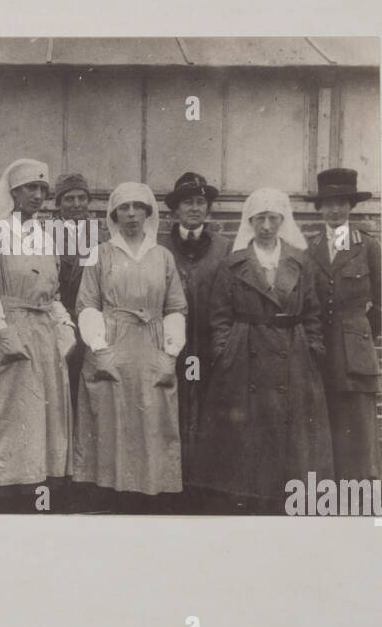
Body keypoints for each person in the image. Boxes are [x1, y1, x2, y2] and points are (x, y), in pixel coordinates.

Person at [197, 187, 332, 513]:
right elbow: (220, 316)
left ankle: (288, 496)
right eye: (260, 219)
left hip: (293, 352)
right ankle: (249, 497)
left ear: (282, 221)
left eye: (273, 219)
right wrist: (225, 350)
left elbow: (313, 312)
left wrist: (312, 347)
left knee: (292, 435)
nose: (267, 226)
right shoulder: (234, 264)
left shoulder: (300, 262)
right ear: (251, 222)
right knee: (248, 434)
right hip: (245, 354)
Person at [0, 159, 76, 498]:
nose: (38, 194)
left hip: (45, 332)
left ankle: (40, 481)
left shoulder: (44, 236)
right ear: (13, 191)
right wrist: (2, 333)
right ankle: (4, 486)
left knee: (45, 411)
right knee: (11, 410)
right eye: (31, 187)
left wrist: (65, 328)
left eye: (43, 189)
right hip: (12, 329)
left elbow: (52, 291)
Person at [73, 183, 187, 503]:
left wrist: (171, 351)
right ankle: (110, 492)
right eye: (125, 207)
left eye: (139, 207)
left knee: (153, 414)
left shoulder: (162, 256)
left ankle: (149, 492)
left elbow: (176, 307)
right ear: (115, 214)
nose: (132, 214)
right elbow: (87, 305)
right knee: (111, 416)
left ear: (149, 213)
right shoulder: (101, 254)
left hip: (151, 342)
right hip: (113, 341)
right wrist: (99, 347)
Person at [306, 168, 382, 481]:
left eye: (341, 202)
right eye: (329, 203)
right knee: (323, 422)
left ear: (351, 206)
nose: (335, 209)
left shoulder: (367, 246)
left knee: (359, 427)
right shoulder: (309, 249)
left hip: (355, 353)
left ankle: (362, 491)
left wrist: (361, 333)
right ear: (320, 208)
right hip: (320, 350)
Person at [157, 171, 229, 500]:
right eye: (188, 202)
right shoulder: (159, 247)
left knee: (204, 406)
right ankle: (170, 479)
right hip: (169, 346)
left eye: (201, 202)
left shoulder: (223, 249)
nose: (195, 208)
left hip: (206, 347)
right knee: (170, 405)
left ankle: (200, 481)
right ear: (175, 210)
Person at [52, 171, 92, 417]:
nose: (76, 205)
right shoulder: (45, 237)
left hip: (91, 324)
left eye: (81, 198)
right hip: (59, 322)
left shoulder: (100, 236)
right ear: (58, 204)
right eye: (69, 199)